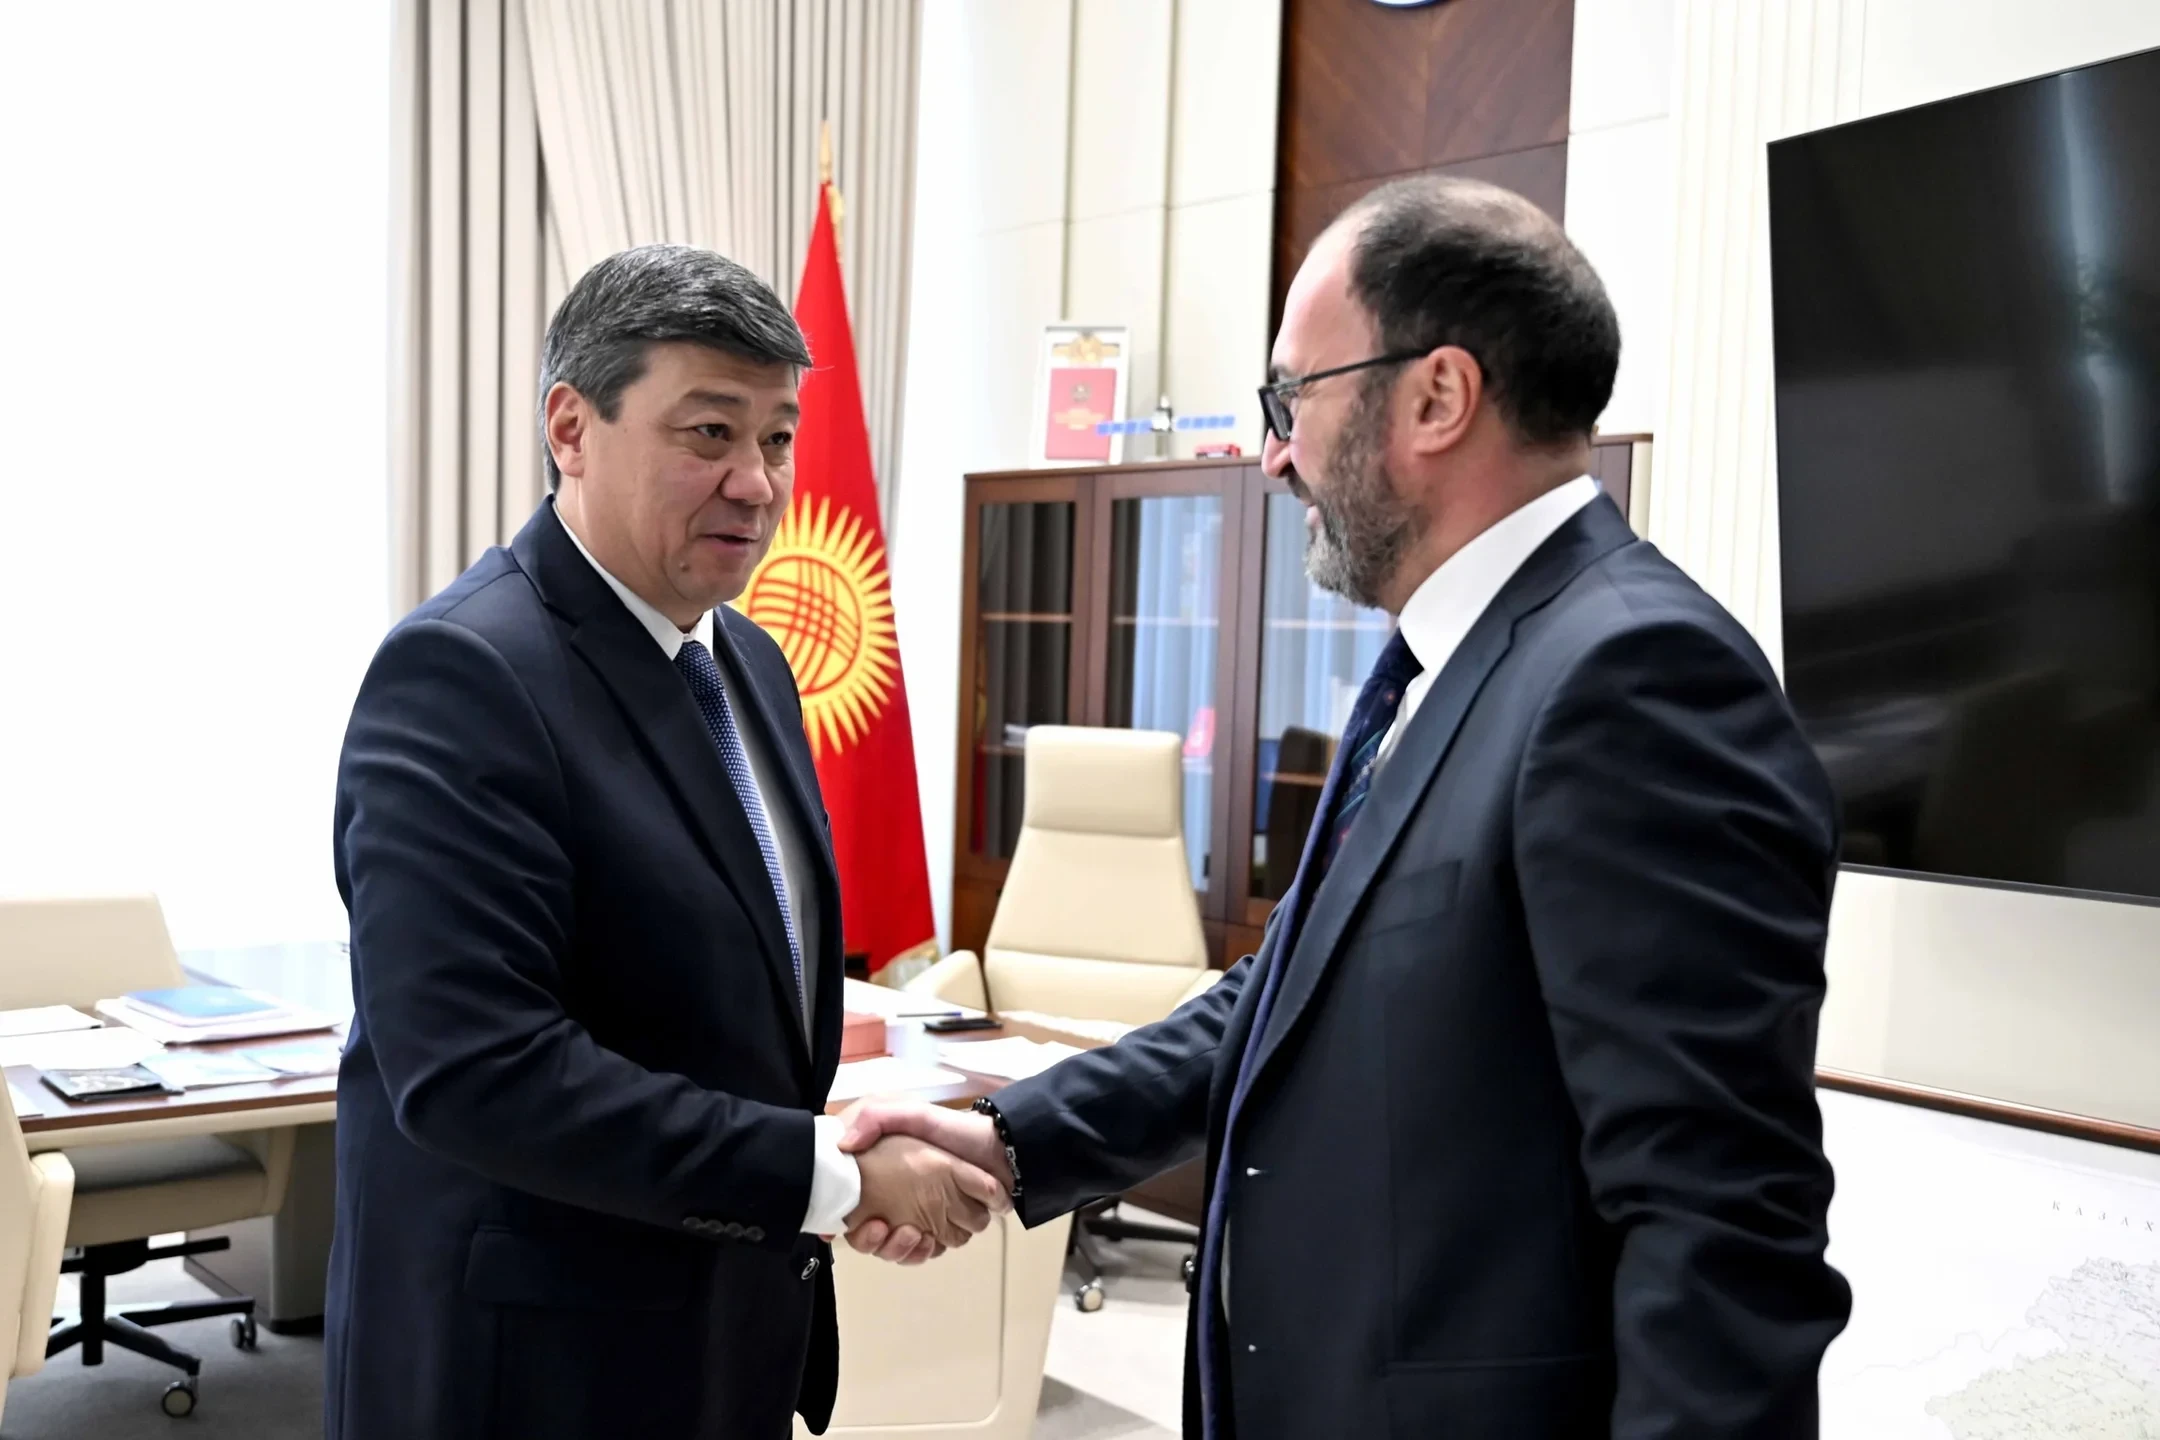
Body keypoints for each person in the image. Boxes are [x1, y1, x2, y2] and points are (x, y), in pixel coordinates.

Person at [842, 177, 1853, 1437]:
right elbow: (1280, 998)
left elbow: (1720, 1223)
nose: (1274, 454)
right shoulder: (1443, 664)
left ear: (1437, 397)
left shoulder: (1638, 678)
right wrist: (1010, 1138)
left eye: (1292, 399)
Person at [326, 244, 1007, 1440]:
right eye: (710, 433)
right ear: (571, 428)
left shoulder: (753, 664)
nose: (757, 483)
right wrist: (832, 1176)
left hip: (728, 1332)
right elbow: (478, 1071)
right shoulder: (464, 673)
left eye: (779, 439)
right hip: (529, 1370)